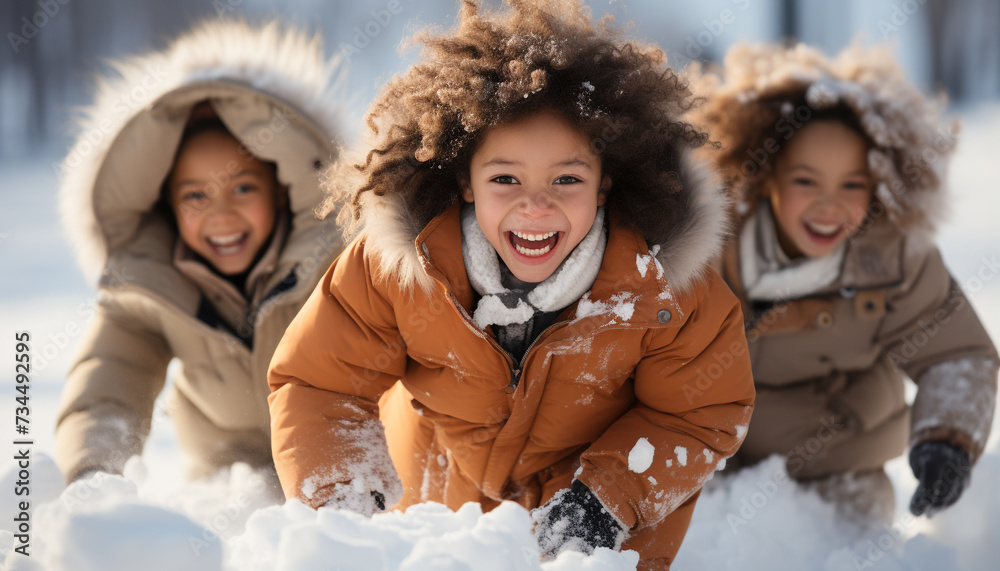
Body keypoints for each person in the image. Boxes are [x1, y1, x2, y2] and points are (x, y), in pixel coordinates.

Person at [267, 1, 755, 568]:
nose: (536, 204)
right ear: (465, 182)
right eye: (505, 178)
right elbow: (320, 381)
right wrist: (343, 503)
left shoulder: (664, 295)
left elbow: (701, 411)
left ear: (604, 186)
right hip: (439, 495)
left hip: (594, 513)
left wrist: (606, 502)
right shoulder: (398, 272)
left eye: (567, 178)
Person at [689, 42, 998, 523]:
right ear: (768, 177)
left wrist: (946, 440)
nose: (829, 205)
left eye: (851, 185)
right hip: (712, 470)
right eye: (806, 182)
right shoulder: (712, 246)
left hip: (840, 465)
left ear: (878, 185)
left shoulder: (893, 257)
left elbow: (955, 353)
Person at [54, 20, 345, 492]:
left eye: (243, 186)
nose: (222, 214)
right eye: (195, 196)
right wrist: (92, 470)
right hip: (225, 475)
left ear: (280, 191)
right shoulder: (149, 287)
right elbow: (110, 381)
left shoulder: (337, 263)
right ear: (166, 206)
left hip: (335, 467)